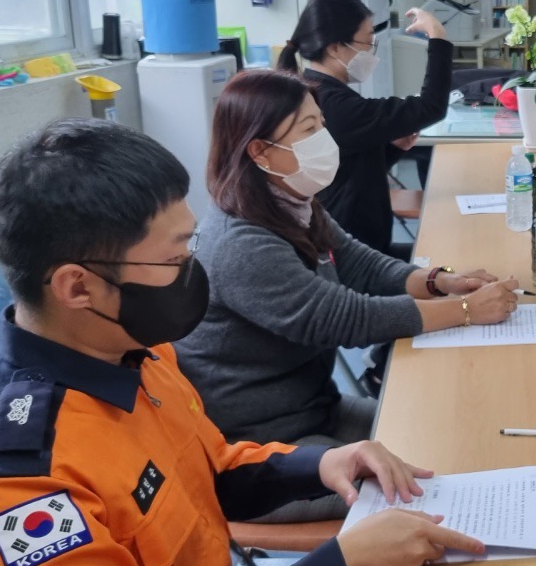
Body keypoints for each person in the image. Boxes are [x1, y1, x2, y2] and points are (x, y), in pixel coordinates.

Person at [0, 118, 485, 566]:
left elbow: (208, 467)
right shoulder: (11, 493)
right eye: (175, 257)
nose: (193, 267)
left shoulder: (127, 354)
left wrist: (321, 464)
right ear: (78, 287)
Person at [173, 70, 518, 519]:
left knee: (453, 441)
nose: (325, 139)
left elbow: (359, 263)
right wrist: (467, 310)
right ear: (259, 151)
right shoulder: (240, 242)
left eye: (322, 124)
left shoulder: (288, 201)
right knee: (434, 495)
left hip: (315, 411)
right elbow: (348, 319)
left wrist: (439, 281)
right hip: (261, 452)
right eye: (308, 130)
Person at [281, 0, 452, 260]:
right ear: (335, 47)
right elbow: (431, 106)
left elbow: (348, 172)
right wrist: (437, 36)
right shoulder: (335, 104)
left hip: (363, 245)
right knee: (445, 259)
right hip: (356, 258)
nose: (372, 52)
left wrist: (391, 149)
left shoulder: (321, 93)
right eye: (368, 42)